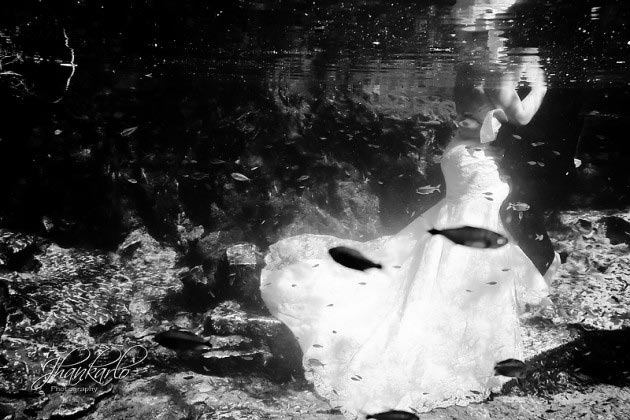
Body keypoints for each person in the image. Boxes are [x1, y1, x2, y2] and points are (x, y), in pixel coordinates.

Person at [260, 3, 557, 419]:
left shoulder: (468, 65)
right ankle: (455, 323)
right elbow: (521, 116)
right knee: (472, 233)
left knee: (461, 229)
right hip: (472, 163)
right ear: (495, 31)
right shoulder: (500, 67)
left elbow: (483, 117)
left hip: (459, 157)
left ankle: (455, 309)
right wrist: (539, 81)